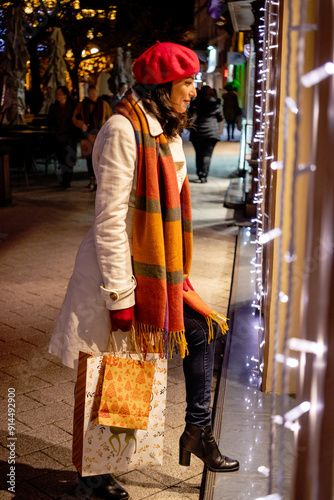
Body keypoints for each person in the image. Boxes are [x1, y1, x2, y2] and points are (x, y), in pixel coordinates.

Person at [48, 41, 239, 500]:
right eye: (187, 83)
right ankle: (90, 477)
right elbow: (111, 219)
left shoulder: (166, 132)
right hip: (120, 275)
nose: (194, 91)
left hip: (160, 273)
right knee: (112, 372)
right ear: (162, 86)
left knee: (195, 335)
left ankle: (195, 431)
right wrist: (120, 296)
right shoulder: (122, 129)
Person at [72, 85, 112, 191]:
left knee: (101, 158)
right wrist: (81, 125)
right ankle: (91, 179)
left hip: (100, 135)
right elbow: (75, 117)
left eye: (94, 92)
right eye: (90, 93)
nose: (92, 94)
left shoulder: (104, 104)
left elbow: (110, 118)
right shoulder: (82, 105)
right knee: (89, 159)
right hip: (87, 136)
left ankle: (100, 181)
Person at [188, 85, 224, 182]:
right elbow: (220, 117)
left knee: (199, 154)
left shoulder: (196, 102)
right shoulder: (216, 103)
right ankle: (204, 175)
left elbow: (190, 116)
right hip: (212, 133)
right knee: (207, 154)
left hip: (197, 132)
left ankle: (199, 172)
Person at [48, 86, 77, 188]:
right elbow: (50, 121)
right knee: (61, 158)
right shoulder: (54, 107)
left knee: (69, 157)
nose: (57, 96)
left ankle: (67, 179)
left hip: (69, 136)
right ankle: (64, 179)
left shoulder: (72, 106)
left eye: (59, 94)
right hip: (59, 137)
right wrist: (54, 132)